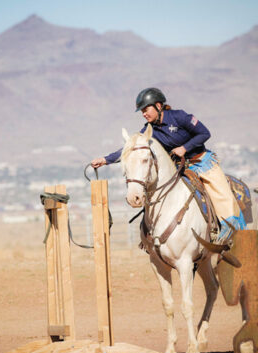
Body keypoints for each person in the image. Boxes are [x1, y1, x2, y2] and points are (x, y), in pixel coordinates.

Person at [91, 87, 246, 241]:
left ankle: (232, 234)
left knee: (222, 197)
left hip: (203, 163)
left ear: (158, 106)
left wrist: (185, 148)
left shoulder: (180, 117)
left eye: (146, 109)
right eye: (142, 111)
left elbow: (205, 133)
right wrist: (105, 160)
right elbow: (133, 147)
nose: (144, 114)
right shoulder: (149, 130)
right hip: (179, 168)